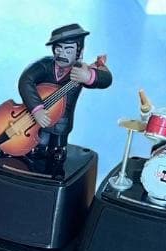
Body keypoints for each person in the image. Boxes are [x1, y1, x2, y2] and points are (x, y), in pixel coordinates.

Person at [18, 23, 112, 163]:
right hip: (37, 120)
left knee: (57, 153)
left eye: (68, 50)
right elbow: (25, 81)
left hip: (62, 121)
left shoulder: (80, 70)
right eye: (58, 49)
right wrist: (36, 109)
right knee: (38, 148)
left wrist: (89, 76)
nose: (62, 54)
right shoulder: (45, 65)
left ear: (80, 52)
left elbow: (106, 80)